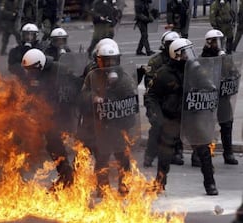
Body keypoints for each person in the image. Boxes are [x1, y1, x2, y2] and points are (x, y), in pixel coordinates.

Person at [145, 38, 218, 195]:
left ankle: (210, 184)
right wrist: (155, 115)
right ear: (176, 55)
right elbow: (151, 96)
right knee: (165, 152)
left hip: (192, 116)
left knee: (204, 149)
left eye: (190, 52)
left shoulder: (195, 70)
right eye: (185, 53)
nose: (189, 56)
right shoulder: (164, 74)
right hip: (172, 117)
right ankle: (159, 183)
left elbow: (209, 87)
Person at [80, 43, 139, 196]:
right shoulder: (92, 76)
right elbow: (83, 94)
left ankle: (124, 186)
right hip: (100, 125)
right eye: (107, 60)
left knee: (123, 158)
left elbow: (131, 99)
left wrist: (113, 94)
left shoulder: (124, 78)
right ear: (99, 60)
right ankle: (102, 187)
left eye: (113, 60)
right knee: (102, 158)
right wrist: (94, 97)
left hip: (118, 125)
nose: (110, 64)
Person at [21, 48, 79, 188]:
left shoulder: (60, 71)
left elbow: (75, 87)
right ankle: (66, 176)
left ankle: (74, 177)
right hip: (49, 115)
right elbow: (31, 92)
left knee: (78, 145)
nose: (30, 73)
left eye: (32, 70)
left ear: (40, 65)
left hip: (65, 112)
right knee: (53, 145)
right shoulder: (36, 75)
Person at [193, 29, 239, 166]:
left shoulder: (224, 58)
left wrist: (227, 65)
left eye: (220, 41)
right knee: (204, 126)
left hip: (222, 97)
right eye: (215, 41)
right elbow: (198, 77)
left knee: (227, 123)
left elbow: (234, 73)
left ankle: (228, 153)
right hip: (208, 97)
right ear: (208, 43)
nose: (218, 44)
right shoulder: (202, 59)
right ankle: (197, 155)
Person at [142, 31, 181, 168]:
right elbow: (150, 85)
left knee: (177, 123)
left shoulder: (181, 60)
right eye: (171, 44)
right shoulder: (155, 61)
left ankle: (176, 152)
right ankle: (149, 155)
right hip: (157, 101)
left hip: (173, 101)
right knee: (157, 126)